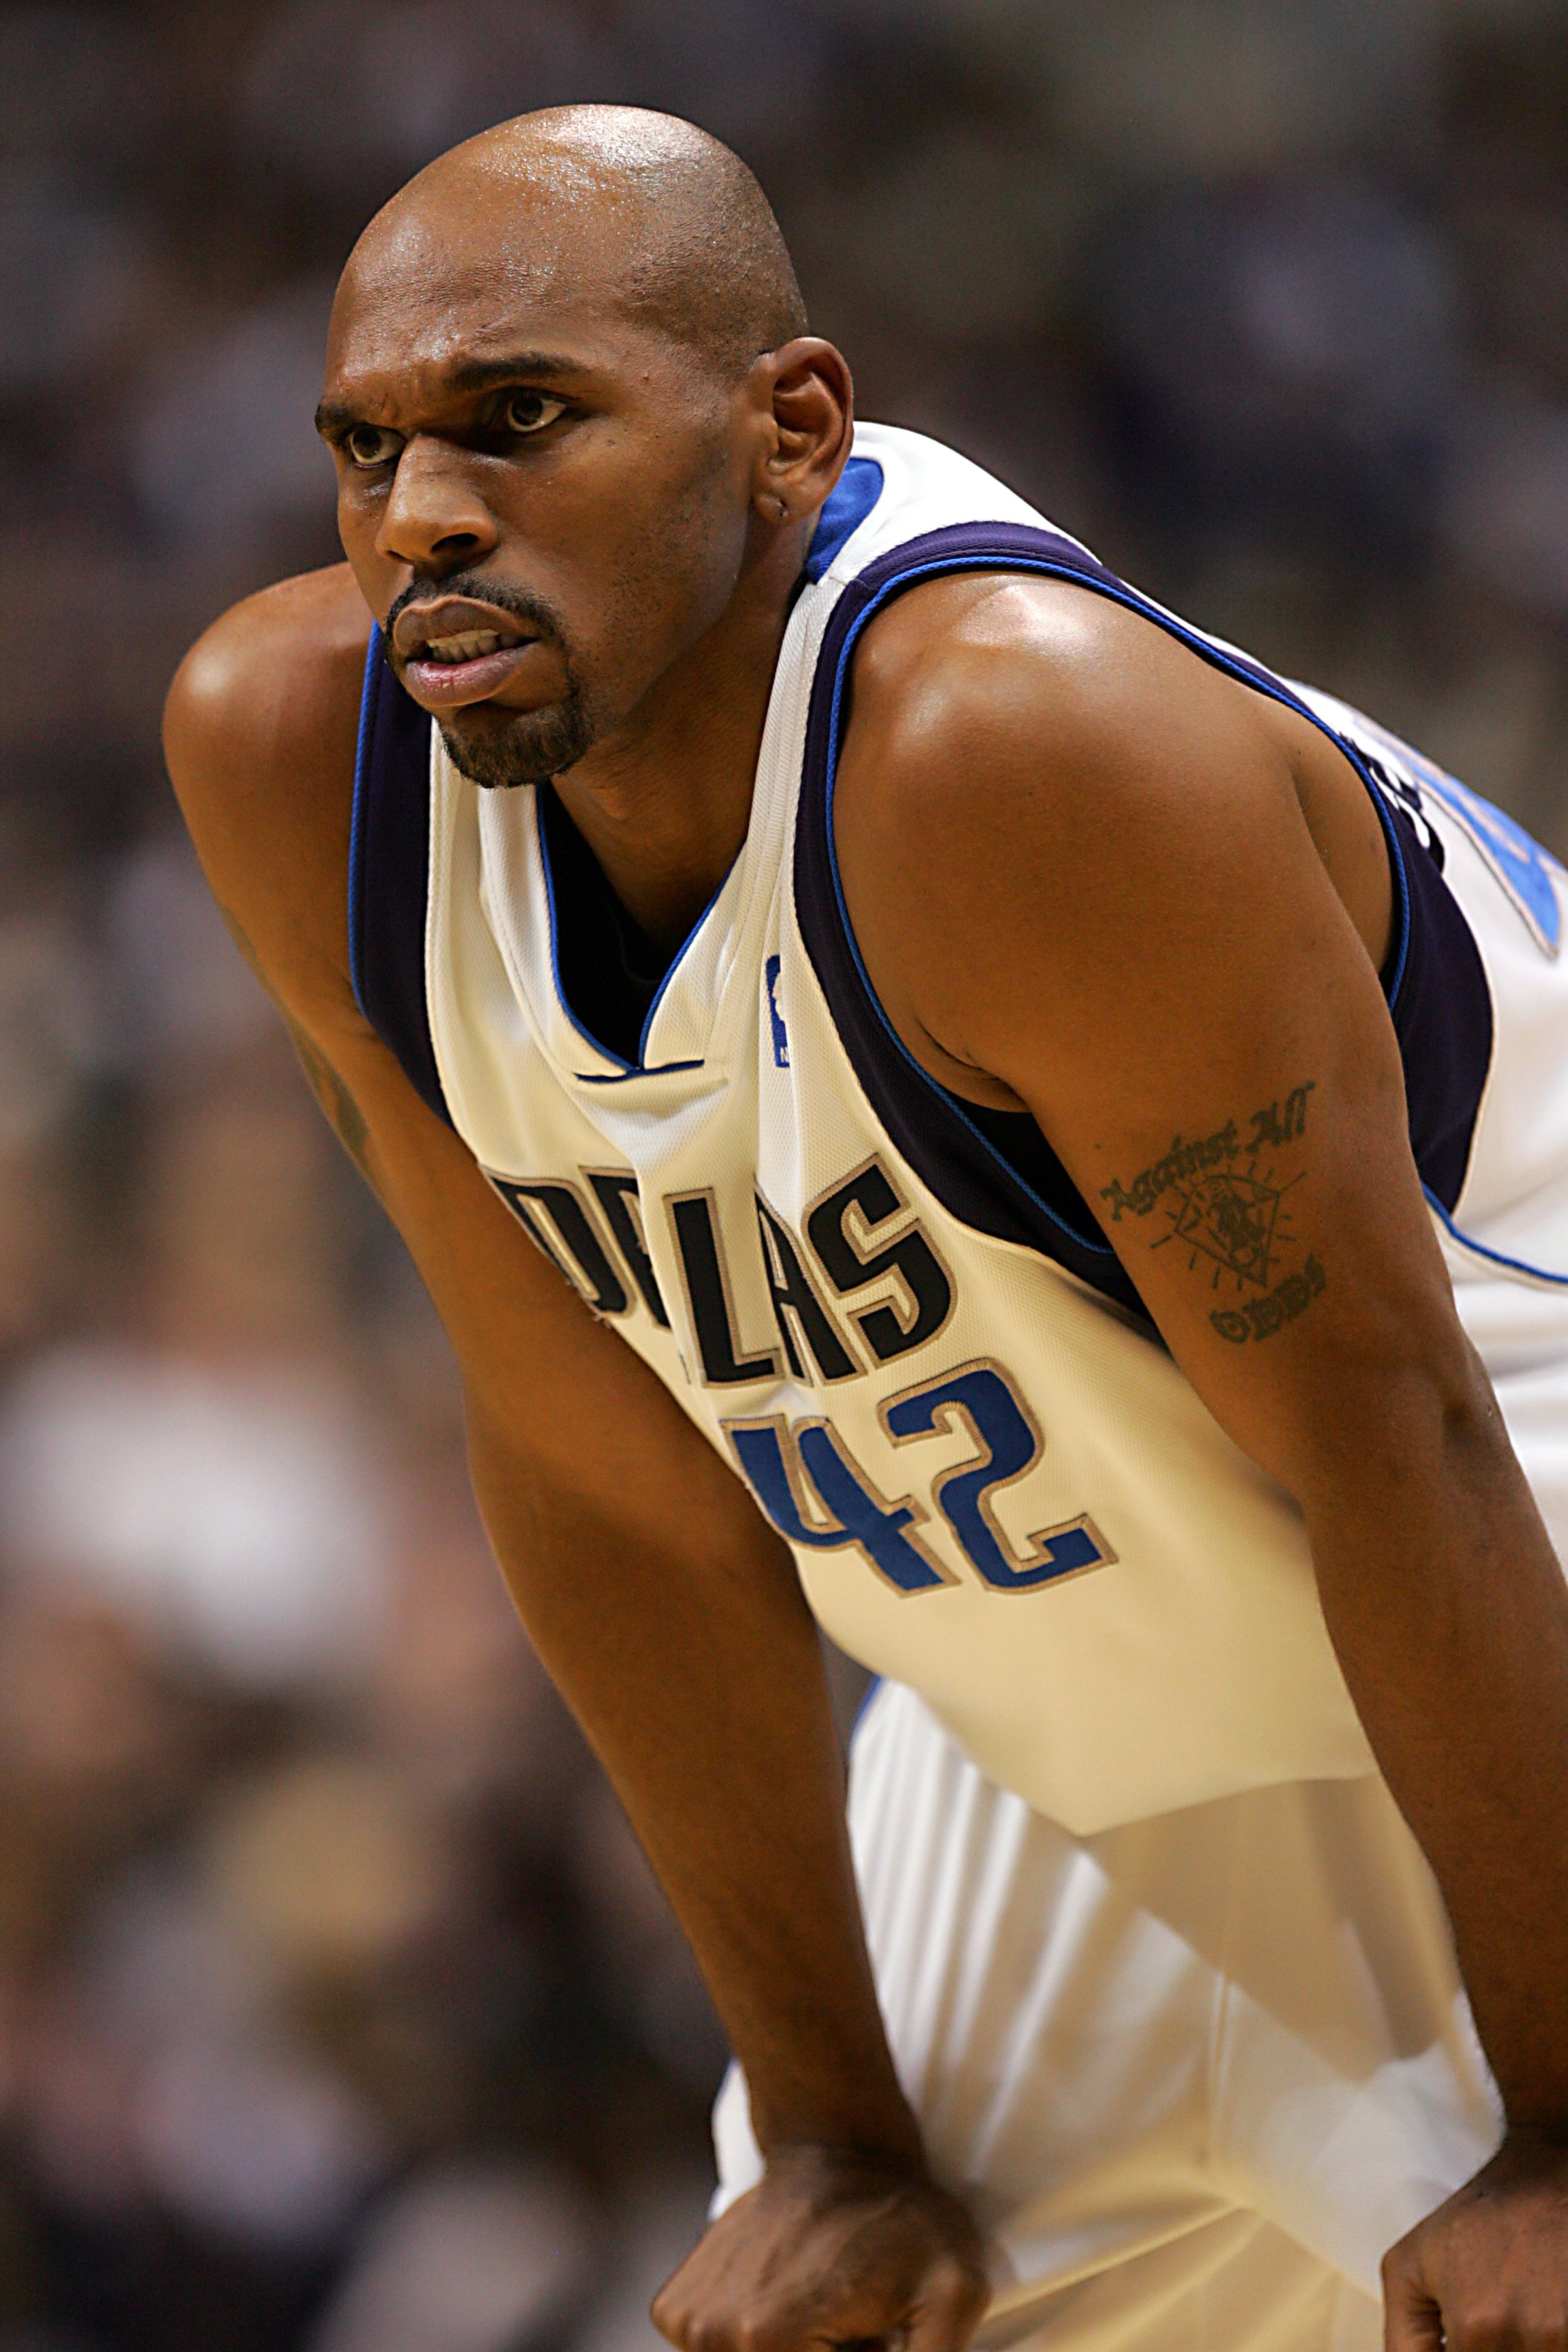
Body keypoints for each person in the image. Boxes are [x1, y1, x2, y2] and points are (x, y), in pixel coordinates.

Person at [163, 105, 1568, 2352]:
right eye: (365, 447)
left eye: (519, 419)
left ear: (792, 429)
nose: (419, 513)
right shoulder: (294, 753)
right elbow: (605, 1483)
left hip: (1507, 1622)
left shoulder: (1012, 748)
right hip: (1082, 1709)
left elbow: (1397, 1435)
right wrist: (829, 2133)